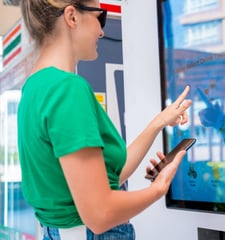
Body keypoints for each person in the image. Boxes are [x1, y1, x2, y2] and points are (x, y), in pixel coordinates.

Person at [17, 0, 192, 239]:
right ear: (72, 17)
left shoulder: (34, 87)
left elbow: (100, 181)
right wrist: (158, 188)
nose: (101, 31)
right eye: (100, 18)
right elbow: (100, 214)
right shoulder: (68, 89)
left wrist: (158, 122)